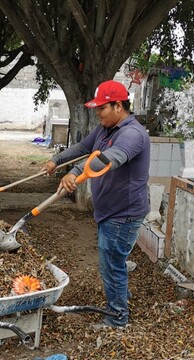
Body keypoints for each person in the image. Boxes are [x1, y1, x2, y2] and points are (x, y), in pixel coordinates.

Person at [41, 80, 150, 328]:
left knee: (111, 264)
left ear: (119, 106)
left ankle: (117, 318)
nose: (97, 112)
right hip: (110, 210)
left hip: (124, 212)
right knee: (114, 260)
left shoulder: (132, 134)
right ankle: (121, 296)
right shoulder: (105, 129)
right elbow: (84, 147)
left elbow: (106, 160)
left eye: (102, 108)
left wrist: (75, 173)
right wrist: (57, 161)